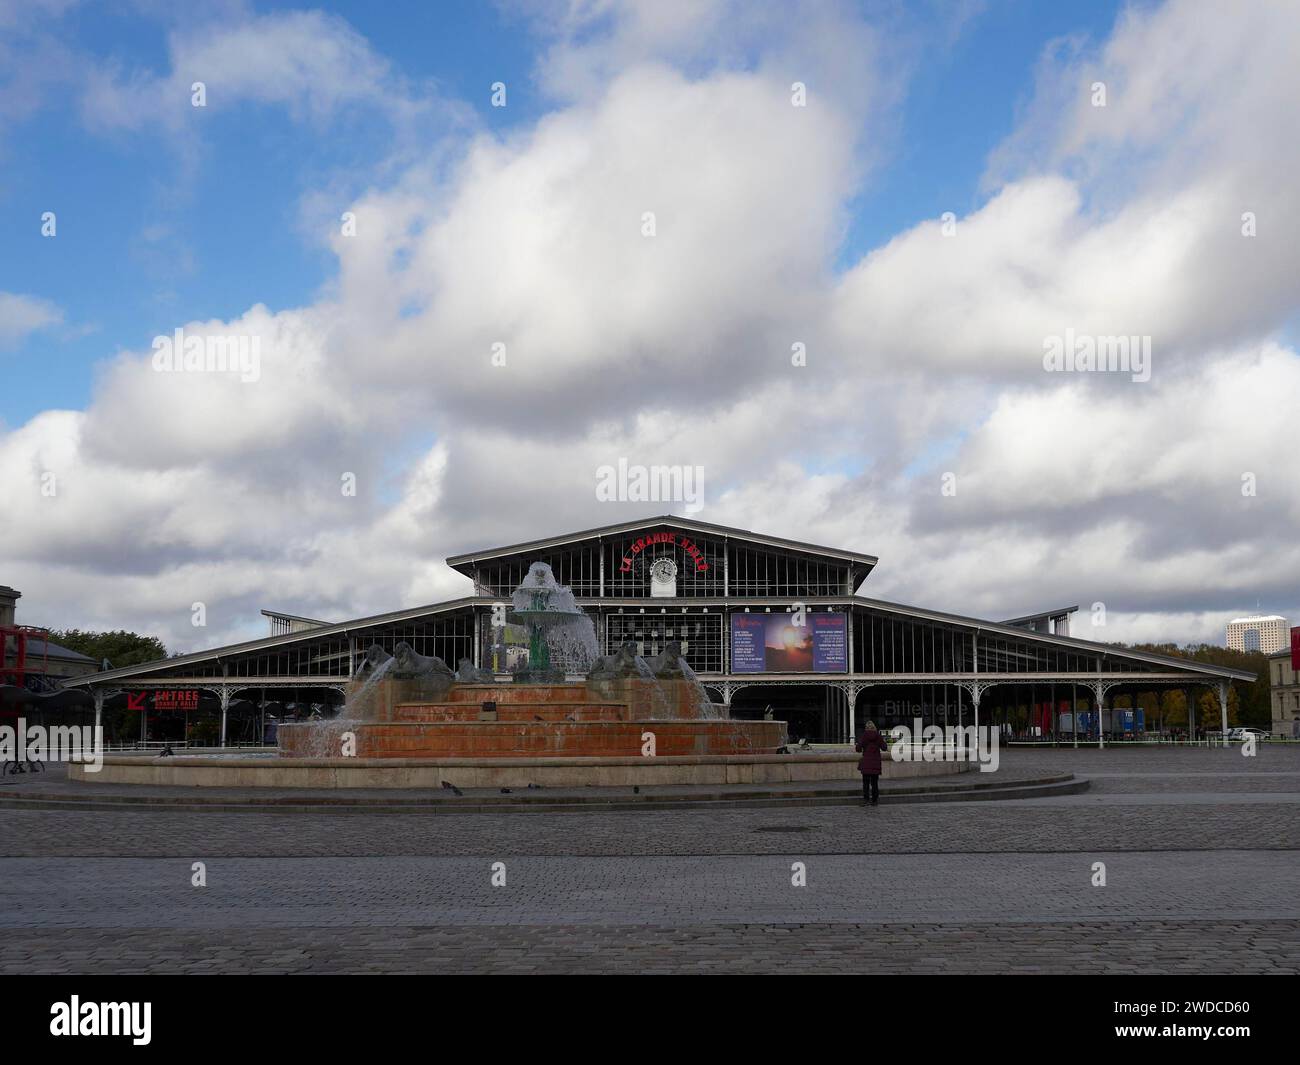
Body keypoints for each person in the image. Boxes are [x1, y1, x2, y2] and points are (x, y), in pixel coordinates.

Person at [855, 720, 887, 807]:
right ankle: (875, 801)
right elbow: (884, 748)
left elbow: (858, 749)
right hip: (875, 762)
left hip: (866, 762)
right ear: (874, 727)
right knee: (874, 783)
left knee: (865, 783)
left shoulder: (864, 736)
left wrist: (859, 746)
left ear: (866, 728)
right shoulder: (878, 736)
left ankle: (866, 800)